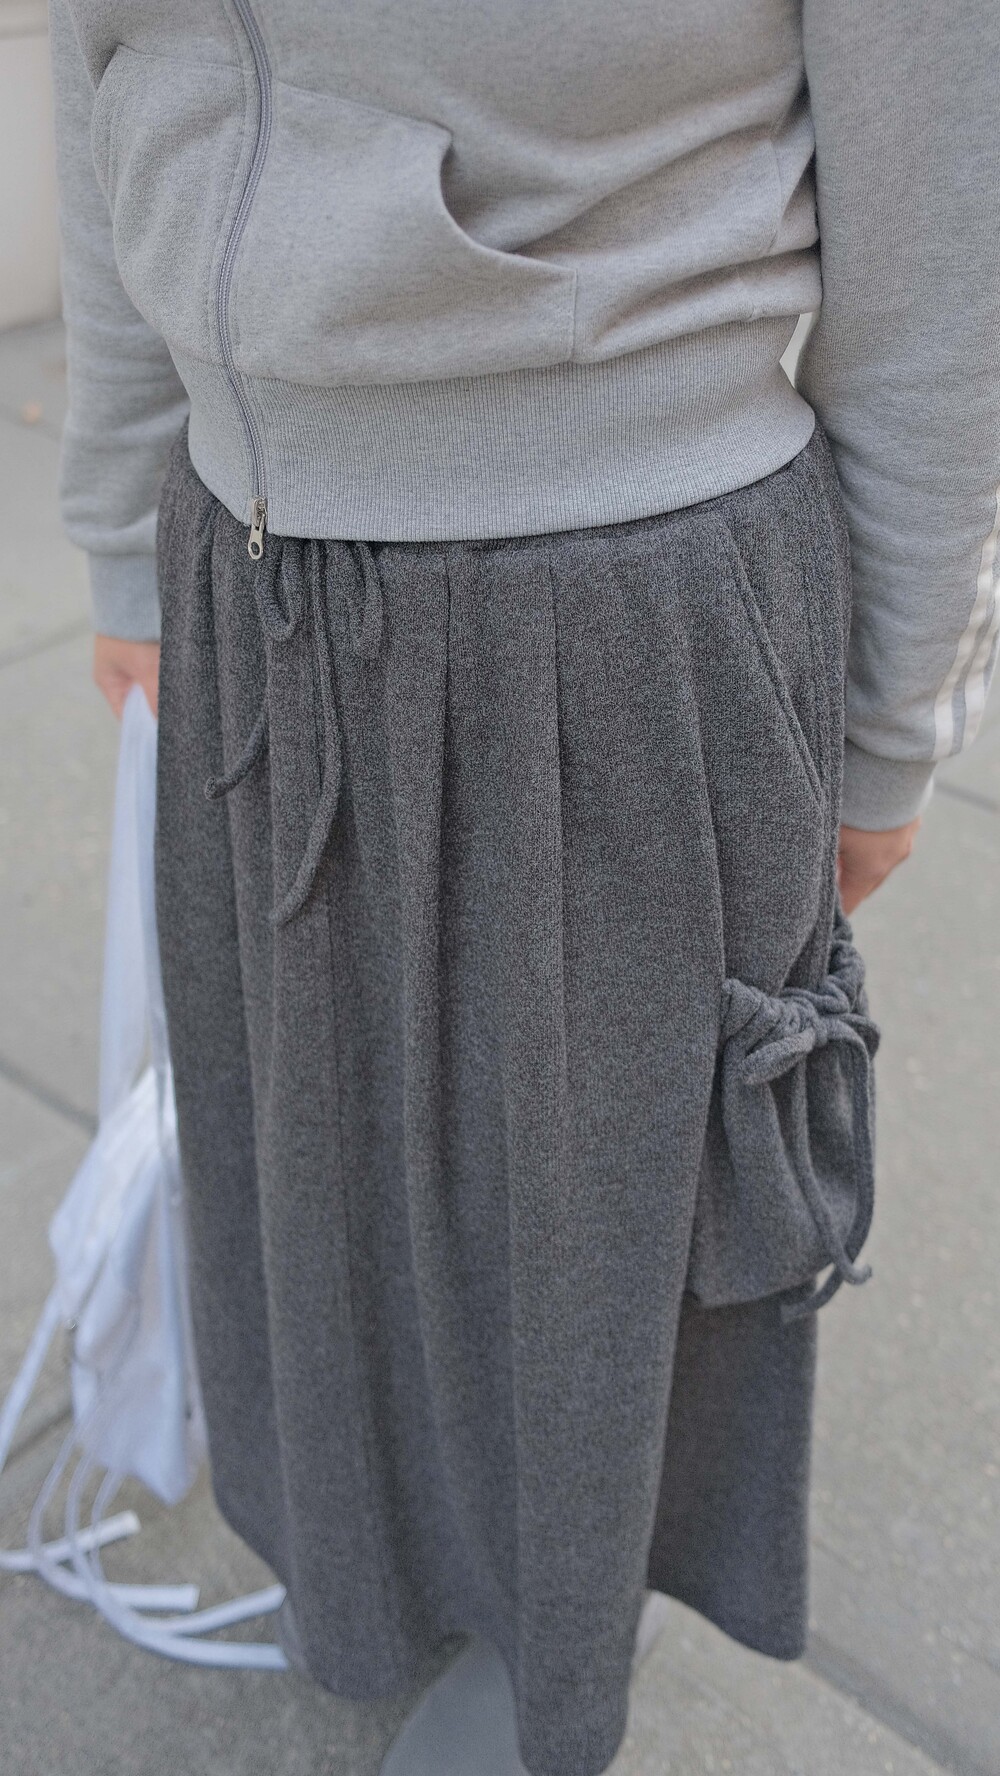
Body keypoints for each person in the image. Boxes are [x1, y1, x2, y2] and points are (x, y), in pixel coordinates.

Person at [47, 4, 998, 1774]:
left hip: (620, 601)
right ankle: (402, 1572)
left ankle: (559, 1651)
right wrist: (121, 516)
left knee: (599, 1230)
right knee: (317, 1171)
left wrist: (891, 719)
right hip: (246, 561)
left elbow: (939, 243)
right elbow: (101, 64)